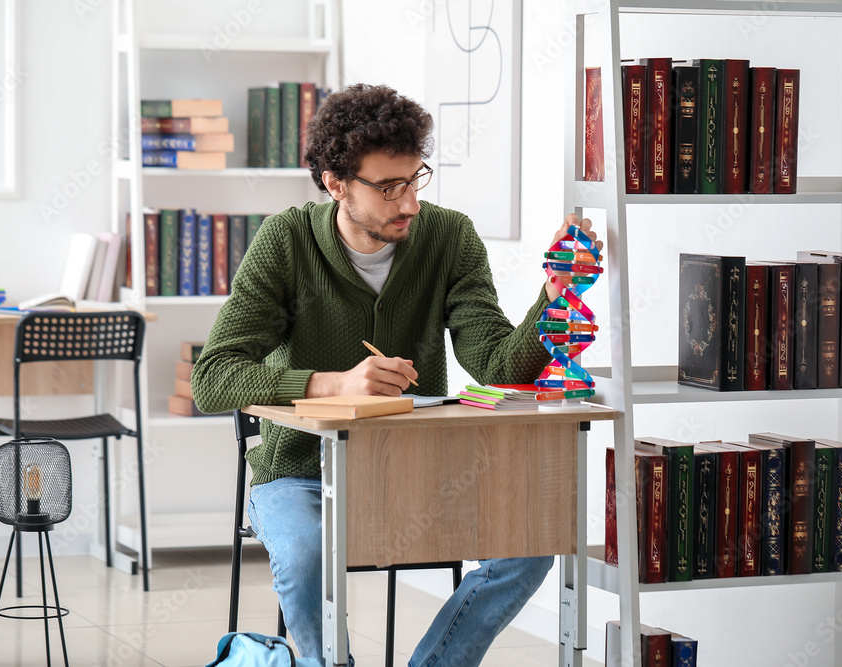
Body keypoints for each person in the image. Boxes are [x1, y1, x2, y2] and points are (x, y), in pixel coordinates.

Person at [192, 83, 602, 666]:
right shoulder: (284, 242)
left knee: (535, 540)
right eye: (387, 187)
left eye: (414, 179)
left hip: (422, 472)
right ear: (335, 183)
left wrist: (552, 299)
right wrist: (334, 383)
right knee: (308, 553)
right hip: (299, 476)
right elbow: (214, 378)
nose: (408, 202)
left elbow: (495, 363)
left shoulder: (449, 236)